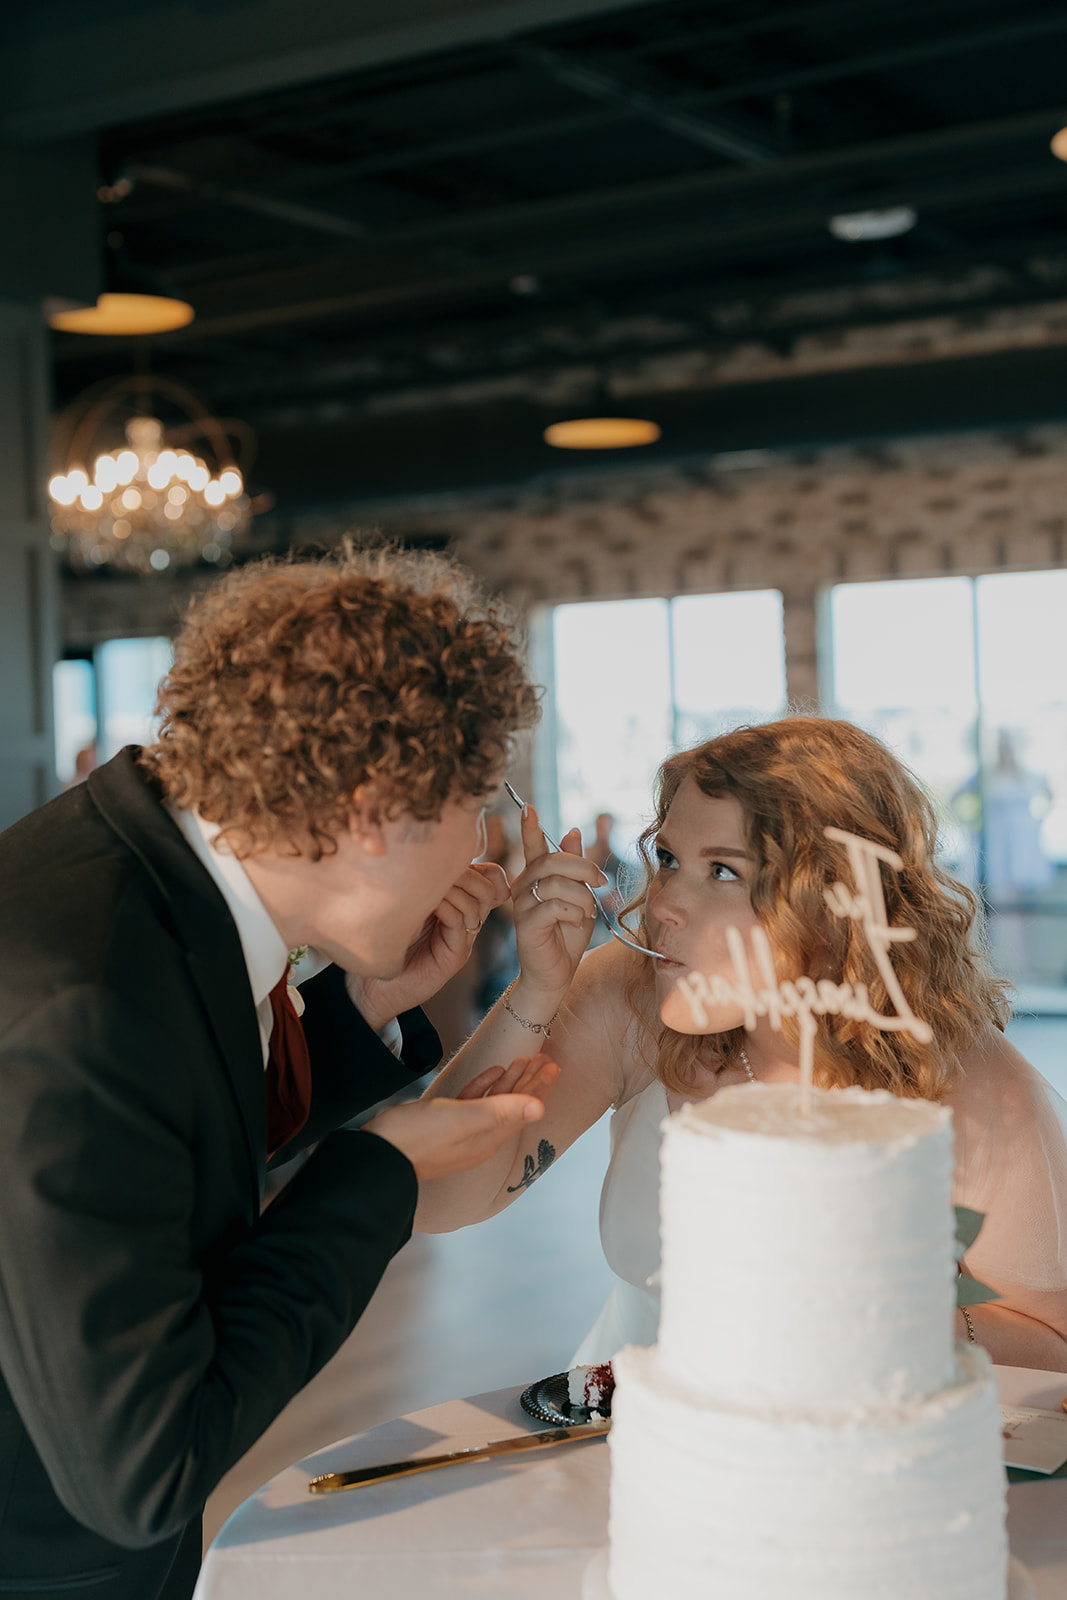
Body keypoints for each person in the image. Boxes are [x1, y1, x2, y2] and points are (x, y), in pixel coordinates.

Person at [0, 545, 558, 1600]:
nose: (480, 848)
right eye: (475, 801)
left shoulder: (134, 873)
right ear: (366, 806)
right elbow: (143, 1471)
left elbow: (154, 1148)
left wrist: (360, 1011)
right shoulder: (82, 1002)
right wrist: (374, 1171)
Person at [420, 717, 1067, 1373]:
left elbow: (1052, 1345)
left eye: (722, 871)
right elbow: (430, 1199)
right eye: (668, 859)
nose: (664, 902)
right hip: (629, 1428)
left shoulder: (971, 1081)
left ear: (832, 900)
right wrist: (537, 992)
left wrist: (897, 1313)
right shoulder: (636, 995)